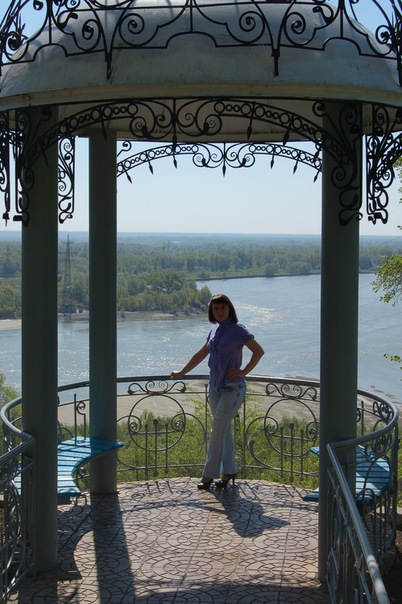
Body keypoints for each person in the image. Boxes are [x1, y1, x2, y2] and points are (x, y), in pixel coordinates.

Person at [170, 293, 264, 491]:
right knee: (224, 430)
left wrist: (243, 372)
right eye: (216, 309)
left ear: (230, 309)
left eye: (223, 308)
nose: (219, 312)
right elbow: (201, 354)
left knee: (217, 430)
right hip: (214, 388)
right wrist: (182, 372)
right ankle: (229, 471)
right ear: (211, 311)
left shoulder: (238, 330)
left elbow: (258, 351)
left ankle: (208, 475)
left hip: (233, 389)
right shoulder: (214, 331)